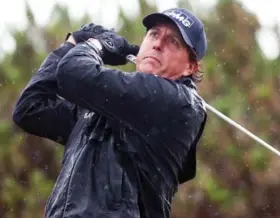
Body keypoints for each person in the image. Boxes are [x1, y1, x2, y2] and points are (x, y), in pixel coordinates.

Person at [12, 7, 208, 218]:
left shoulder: (176, 101)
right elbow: (30, 108)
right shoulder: (104, 110)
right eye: (153, 34)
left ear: (190, 67)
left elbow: (75, 74)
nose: (158, 44)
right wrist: (71, 44)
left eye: (173, 42)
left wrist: (96, 44)